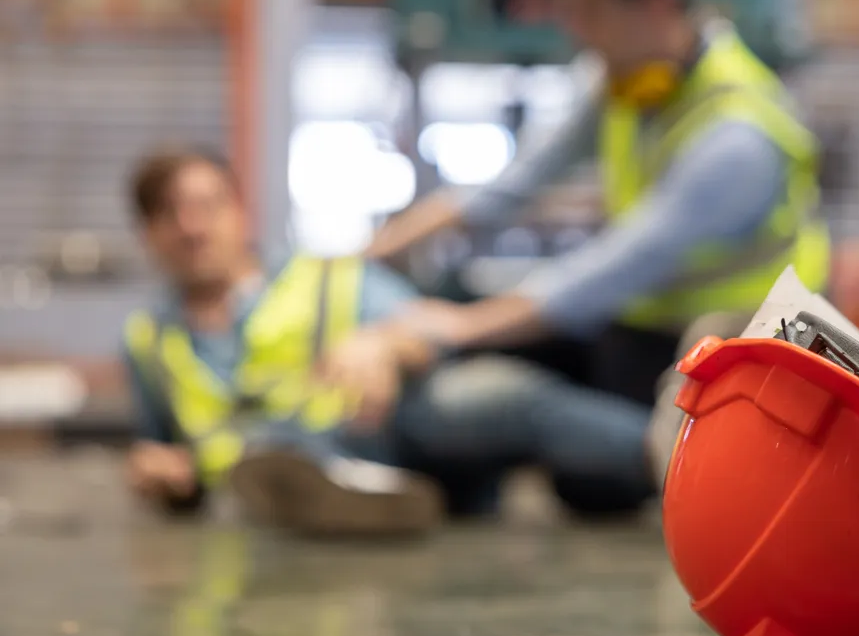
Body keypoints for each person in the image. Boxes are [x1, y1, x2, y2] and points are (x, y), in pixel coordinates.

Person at [122, 146, 660, 534]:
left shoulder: (325, 276)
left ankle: (673, 454)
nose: (192, 227)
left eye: (207, 205)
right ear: (148, 232)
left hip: (386, 432)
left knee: (491, 394)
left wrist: (382, 343)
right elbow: (165, 452)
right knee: (283, 459)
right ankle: (329, 486)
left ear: (240, 212)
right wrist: (165, 476)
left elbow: (432, 332)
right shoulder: (147, 341)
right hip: (260, 484)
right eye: (170, 213)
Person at [364, 0, 830, 408]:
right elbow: (514, 184)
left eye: (590, 12)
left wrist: (463, 327)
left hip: (744, 355)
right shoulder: (620, 82)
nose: (577, 32)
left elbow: (617, 267)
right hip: (649, 329)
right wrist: (369, 253)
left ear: (656, 1)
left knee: (573, 451)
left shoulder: (737, 135)